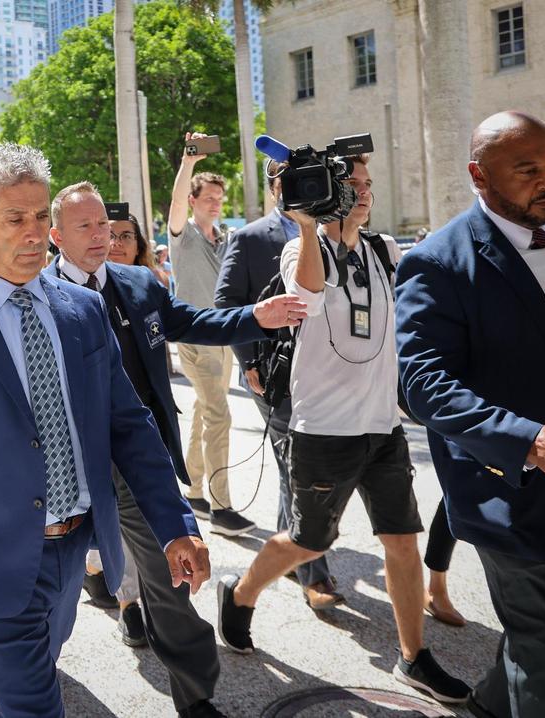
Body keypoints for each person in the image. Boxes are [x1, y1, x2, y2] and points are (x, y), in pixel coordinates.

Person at [0, 143, 211, 718]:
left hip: (74, 553)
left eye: (41, 218)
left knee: (18, 689)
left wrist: (174, 524)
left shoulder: (82, 311)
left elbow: (130, 427)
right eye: (16, 219)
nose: (35, 233)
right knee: (37, 705)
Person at [395, 111, 545, 718]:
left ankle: (491, 704)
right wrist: (530, 442)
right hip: (516, 486)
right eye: (527, 171)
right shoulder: (439, 261)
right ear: (480, 175)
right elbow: (422, 384)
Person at [216, 154, 470, 706]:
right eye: (351, 184)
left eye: (369, 183)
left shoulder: (384, 250)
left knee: (402, 540)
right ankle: (240, 593)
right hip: (323, 428)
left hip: (382, 425)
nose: (364, 192)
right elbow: (305, 297)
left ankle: (413, 657)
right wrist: (309, 225)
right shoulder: (298, 249)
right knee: (310, 540)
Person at [47, 181, 304, 717]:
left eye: (108, 228)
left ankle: (195, 696)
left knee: (169, 577)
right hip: (65, 469)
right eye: (86, 228)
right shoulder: (37, 299)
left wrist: (255, 317)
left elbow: (192, 321)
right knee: (48, 584)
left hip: (137, 463)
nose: (102, 238)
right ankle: (34, 669)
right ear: (55, 237)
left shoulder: (140, 284)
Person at [215, 158, 344, 612]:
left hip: (328, 370)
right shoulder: (249, 238)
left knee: (304, 465)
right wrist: (249, 360)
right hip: (274, 371)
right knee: (299, 463)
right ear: (273, 189)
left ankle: (288, 548)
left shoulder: (337, 230)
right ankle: (315, 572)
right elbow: (227, 302)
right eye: (285, 181)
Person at [167, 132, 254, 535]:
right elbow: (175, 202)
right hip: (194, 337)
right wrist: (190, 163)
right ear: (193, 202)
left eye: (220, 199)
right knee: (220, 414)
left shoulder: (228, 241)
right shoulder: (182, 237)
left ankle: (194, 491)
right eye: (208, 199)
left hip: (223, 338)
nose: (216, 204)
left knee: (205, 412)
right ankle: (221, 508)